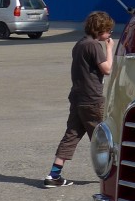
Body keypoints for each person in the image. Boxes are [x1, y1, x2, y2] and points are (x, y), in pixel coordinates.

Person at [43, 11, 115, 187]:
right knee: (103, 140)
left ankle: (53, 175)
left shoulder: (80, 44)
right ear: (100, 29)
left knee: (71, 135)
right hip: (92, 100)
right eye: (108, 31)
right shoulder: (94, 46)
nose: (110, 34)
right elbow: (107, 69)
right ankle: (113, 178)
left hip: (77, 98)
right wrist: (109, 48)